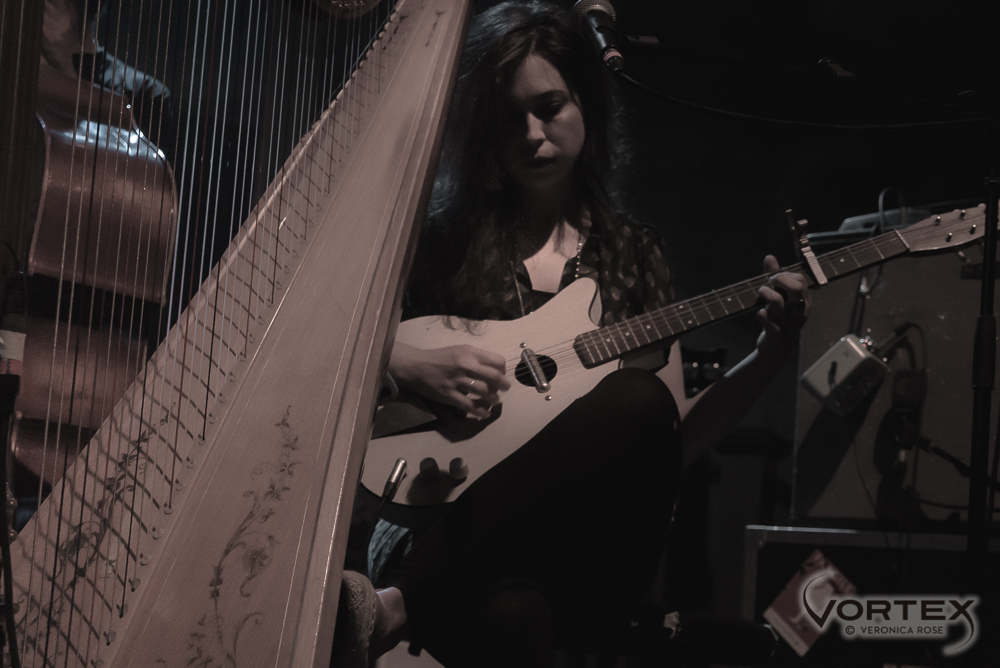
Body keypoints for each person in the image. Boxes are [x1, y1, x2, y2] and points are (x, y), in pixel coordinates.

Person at [336, 2, 810, 666]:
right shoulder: (444, 243)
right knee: (514, 619)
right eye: (509, 119)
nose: (532, 134)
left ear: (587, 103)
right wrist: (407, 364)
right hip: (442, 521)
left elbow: (672, 439)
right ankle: (417, 593)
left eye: (550, 106)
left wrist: (771, 354)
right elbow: (338, 352)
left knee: (642, 403)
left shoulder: (633, 254)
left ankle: (396, 606)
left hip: (591, 543)